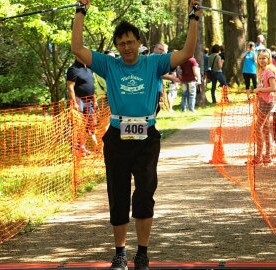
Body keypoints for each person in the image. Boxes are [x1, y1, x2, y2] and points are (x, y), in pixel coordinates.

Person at [71, 1, 203, 269]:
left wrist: (194, 17)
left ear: (139, 42)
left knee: (144, 194)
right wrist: (80, 11)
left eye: (131, 42)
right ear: (117, 46)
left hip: (147, 138)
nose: (127, 47)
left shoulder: (154, 63)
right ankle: (119, 252)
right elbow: (76, 48)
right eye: (122, 43)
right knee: (117, 194)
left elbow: (188, 51)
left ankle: (142, 252)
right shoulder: (108, 65)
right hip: (117, 138)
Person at [249, 49, 276, 165]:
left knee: (257, 127)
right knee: (265, 129)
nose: (262, 60)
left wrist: (260, 90)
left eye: (264, 58)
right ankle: (267, 155)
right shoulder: (260, 70)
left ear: (268, 59)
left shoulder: (270, 72)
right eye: (260, 58)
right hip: (261, 101)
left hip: (267, 102)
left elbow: (273, 88)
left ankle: (259, 156)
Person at [66, 58, 98, 155]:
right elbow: (70, 87)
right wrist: (74, 102)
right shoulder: (73, 69)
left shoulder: (89, 69)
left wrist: (94, 99)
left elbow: (91, 86)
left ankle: (82, 149)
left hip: (89, 101)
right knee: (78, 126)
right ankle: (76, 151)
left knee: (88, 125)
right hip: (79, 100)